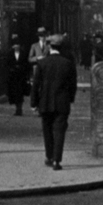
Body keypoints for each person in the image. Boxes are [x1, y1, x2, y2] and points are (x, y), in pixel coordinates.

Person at [30, 34, 77, 171]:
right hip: (62, 103)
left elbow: (36, 85)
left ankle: (49, 157)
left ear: (50, 46)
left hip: (45, 103)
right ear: (61, 47)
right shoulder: (67, 63)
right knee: (59, 132)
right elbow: (72, 85)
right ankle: (57, 161)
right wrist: (70, 99)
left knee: (47, 132)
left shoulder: (42, 63)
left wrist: (34, 103)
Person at [4, 35, 29, 116]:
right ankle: (17, 108)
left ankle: (19, 109)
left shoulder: (23, 53)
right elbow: (6, 64)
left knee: (20, 93)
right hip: (13, 76)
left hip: (21, 76)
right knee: (14, 93)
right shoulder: (9, 53)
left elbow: (26, 64)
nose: (16, 46)